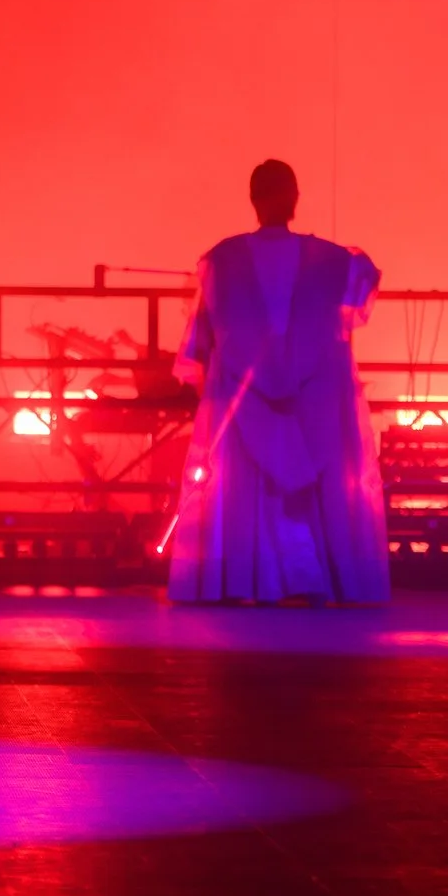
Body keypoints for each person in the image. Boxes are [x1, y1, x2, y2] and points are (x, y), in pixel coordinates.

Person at [166, 159, 388, 605]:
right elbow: (359, 291)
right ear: (295, 198)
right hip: (317, 396)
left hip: (242, 393)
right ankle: (320, 576)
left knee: (243, 486)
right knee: (317, 484)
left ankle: (243, 579)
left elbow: (203, 335)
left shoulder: (223, 260)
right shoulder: (334, 260)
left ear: (253, 199)